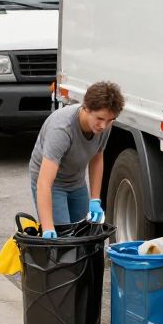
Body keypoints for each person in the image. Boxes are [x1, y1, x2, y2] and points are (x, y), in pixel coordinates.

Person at [29, 81, 123, 238]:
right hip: (53, 185)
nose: (103, 125)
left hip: (76, 181)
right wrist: (47, 228)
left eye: (109, 120)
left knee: (85, 235)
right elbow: (44, 183)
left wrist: (95, 199)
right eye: (99, 118)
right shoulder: (61, 129)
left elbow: (97, 157)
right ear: (86, 108)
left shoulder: (104, 125)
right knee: (64, 239)